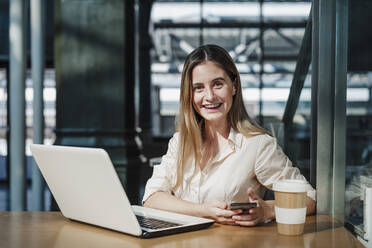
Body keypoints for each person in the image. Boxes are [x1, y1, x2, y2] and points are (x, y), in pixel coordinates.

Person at [143, 44, 316, 226]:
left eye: (218, 84)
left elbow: (309, 198)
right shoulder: (180, 142)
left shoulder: (257, 145)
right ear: (190, 94)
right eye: (199, 88)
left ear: (234, 86)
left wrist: (268, 209)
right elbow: (152, 198)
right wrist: (203, 211)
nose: (209, 96)